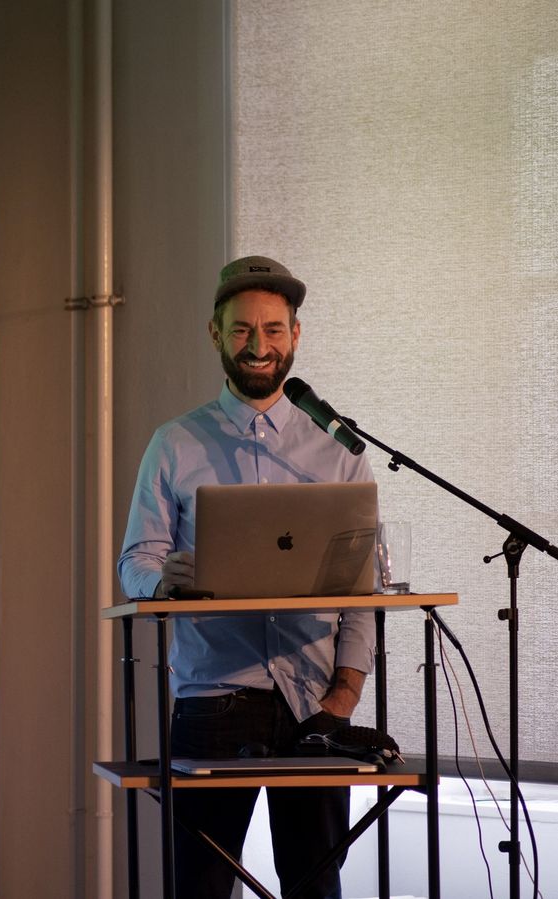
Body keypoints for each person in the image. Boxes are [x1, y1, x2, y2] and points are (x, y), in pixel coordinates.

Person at [117, 256, 373, 899]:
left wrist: (344, 695)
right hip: (213, 704)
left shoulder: (338, 449)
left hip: (314, 704)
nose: (259, 344)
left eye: (273, 329)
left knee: (316, 888)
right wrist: (164, 581)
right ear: (215, 334)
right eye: (241, 329)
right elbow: (135, 563)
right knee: (201, 887)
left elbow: (361, 589)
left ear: (295, 335)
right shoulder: (174, 443)